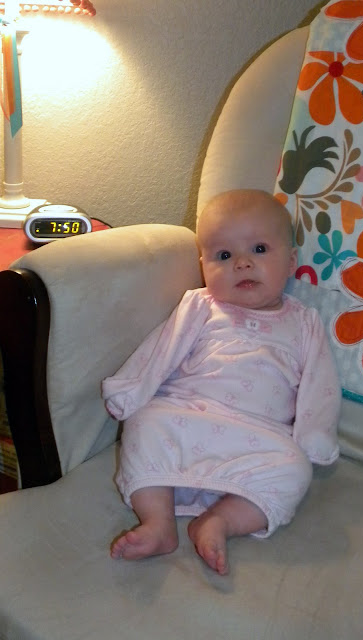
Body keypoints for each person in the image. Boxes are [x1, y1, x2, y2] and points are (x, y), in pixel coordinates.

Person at [102, 189, 341, 575]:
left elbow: (321, 384)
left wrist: (315, 434)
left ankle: (219, 522)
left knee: (295, 468)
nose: (242, 263)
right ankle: (159, 522)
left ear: (291, 262)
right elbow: (162, 351)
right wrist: (131, 389)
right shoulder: (200, 305)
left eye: (259, 249)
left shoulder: (304, 323)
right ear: (204, 267)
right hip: (187, 418)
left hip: (257, 437)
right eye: (224, 256)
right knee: (145, 422)